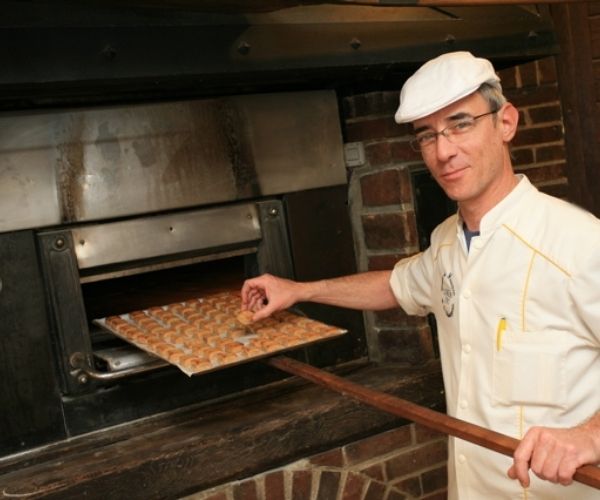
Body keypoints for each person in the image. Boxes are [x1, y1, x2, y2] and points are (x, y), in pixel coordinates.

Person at [241, 51, 600, 499]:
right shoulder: (447, 243)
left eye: (461, 124)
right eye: (427, 135)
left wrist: (590, 435)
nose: (443, 151)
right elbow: (393, 285)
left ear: (506, 123)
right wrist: (298, 290)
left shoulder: (579, 244)